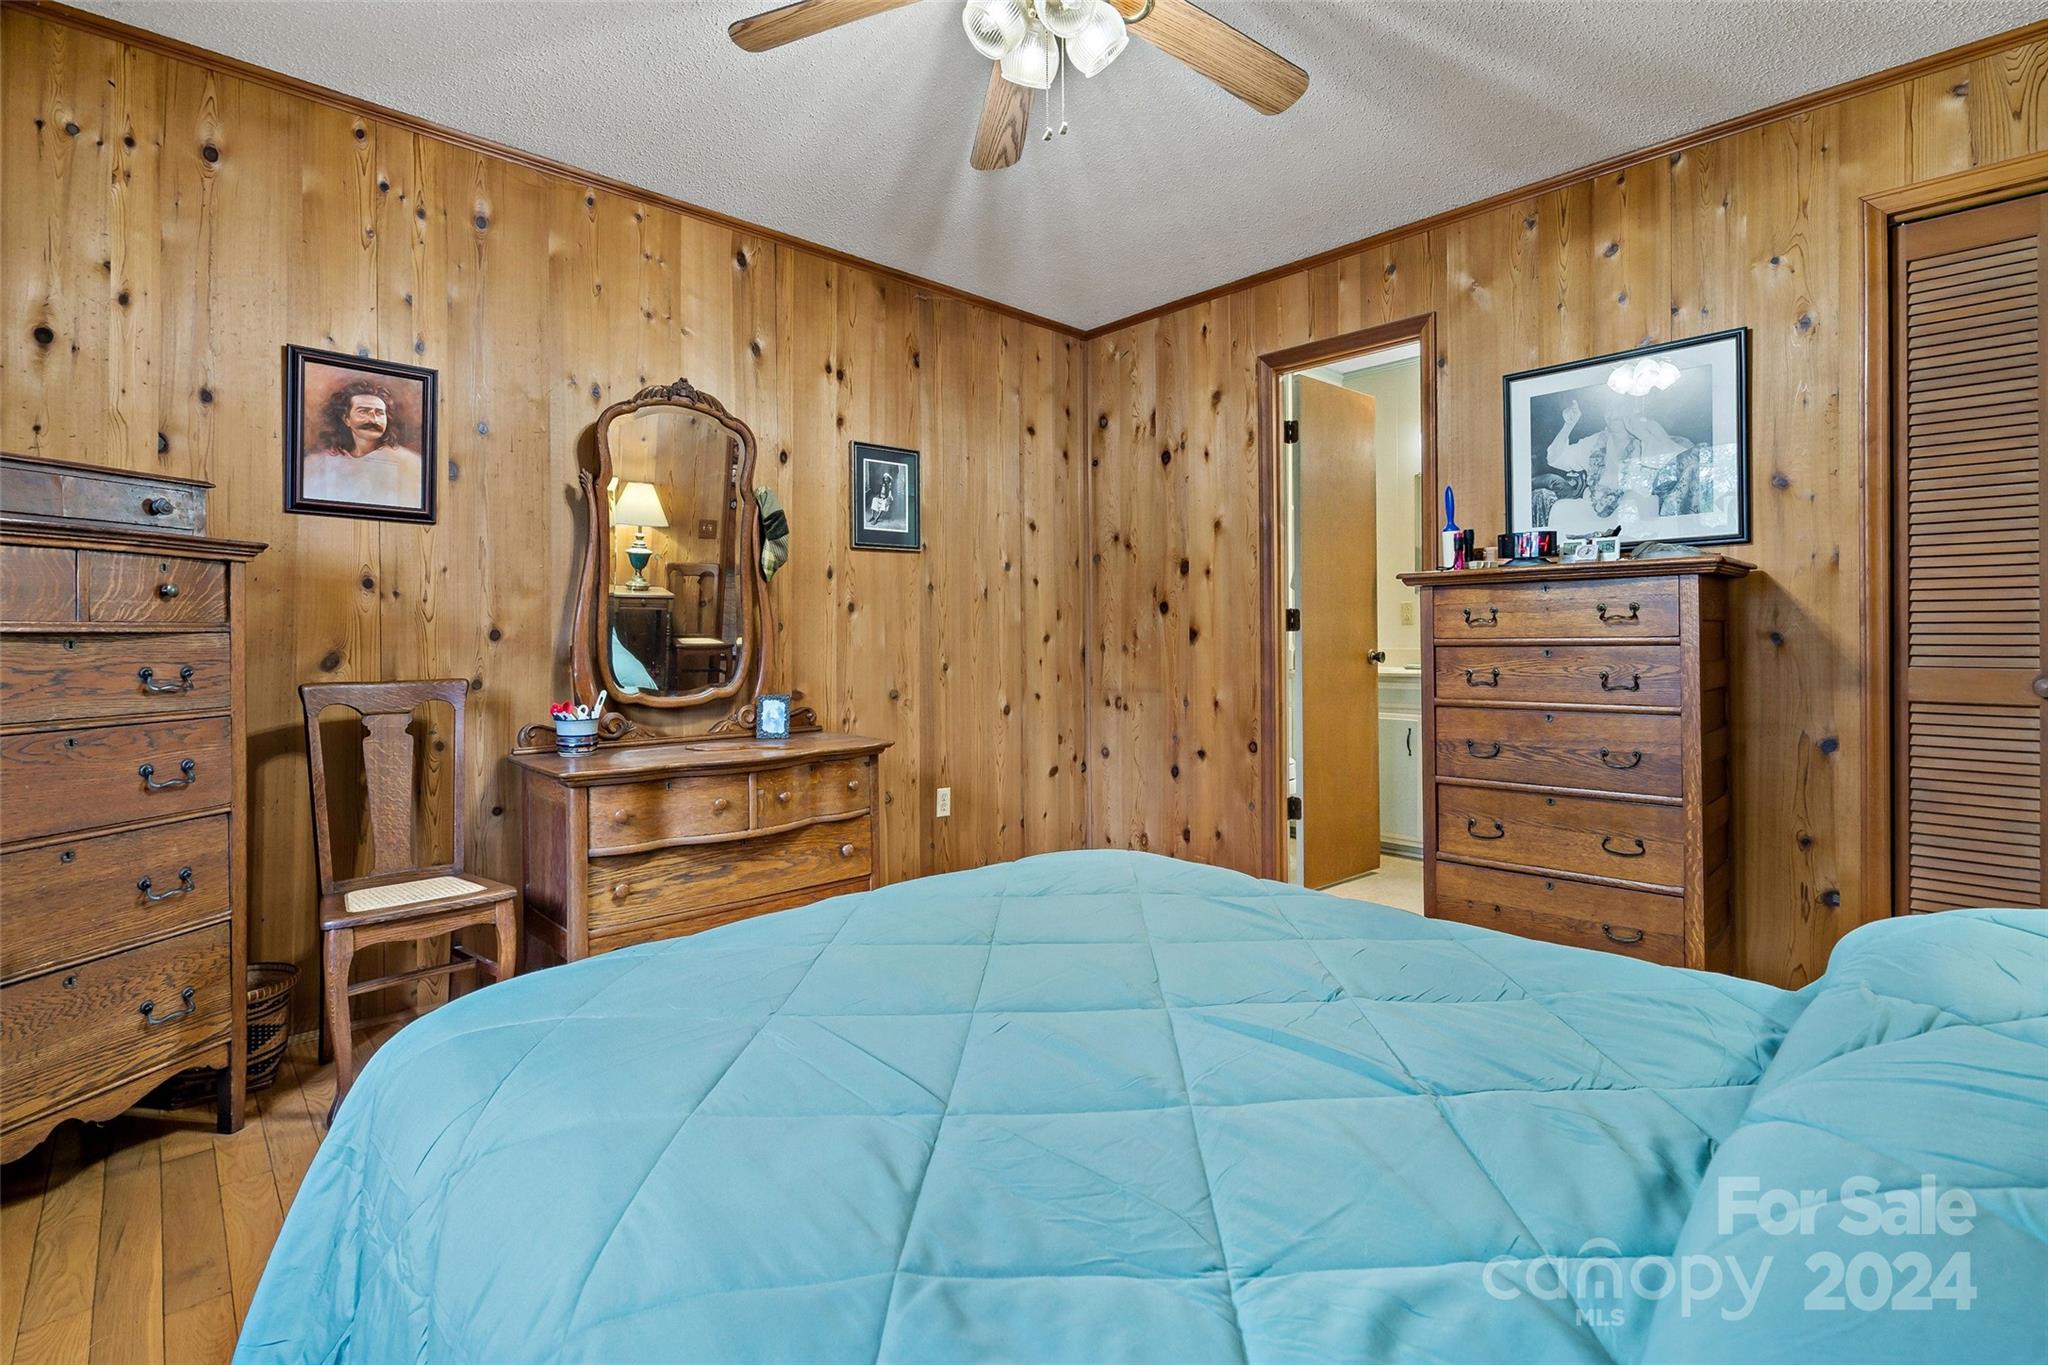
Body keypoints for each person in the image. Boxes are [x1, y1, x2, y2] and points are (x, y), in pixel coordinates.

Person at [301, 379, 424, 509]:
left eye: (379, 413)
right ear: (346, 419)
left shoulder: (410, 463)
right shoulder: (318, 463)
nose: (373, 420)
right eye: (363, 411)